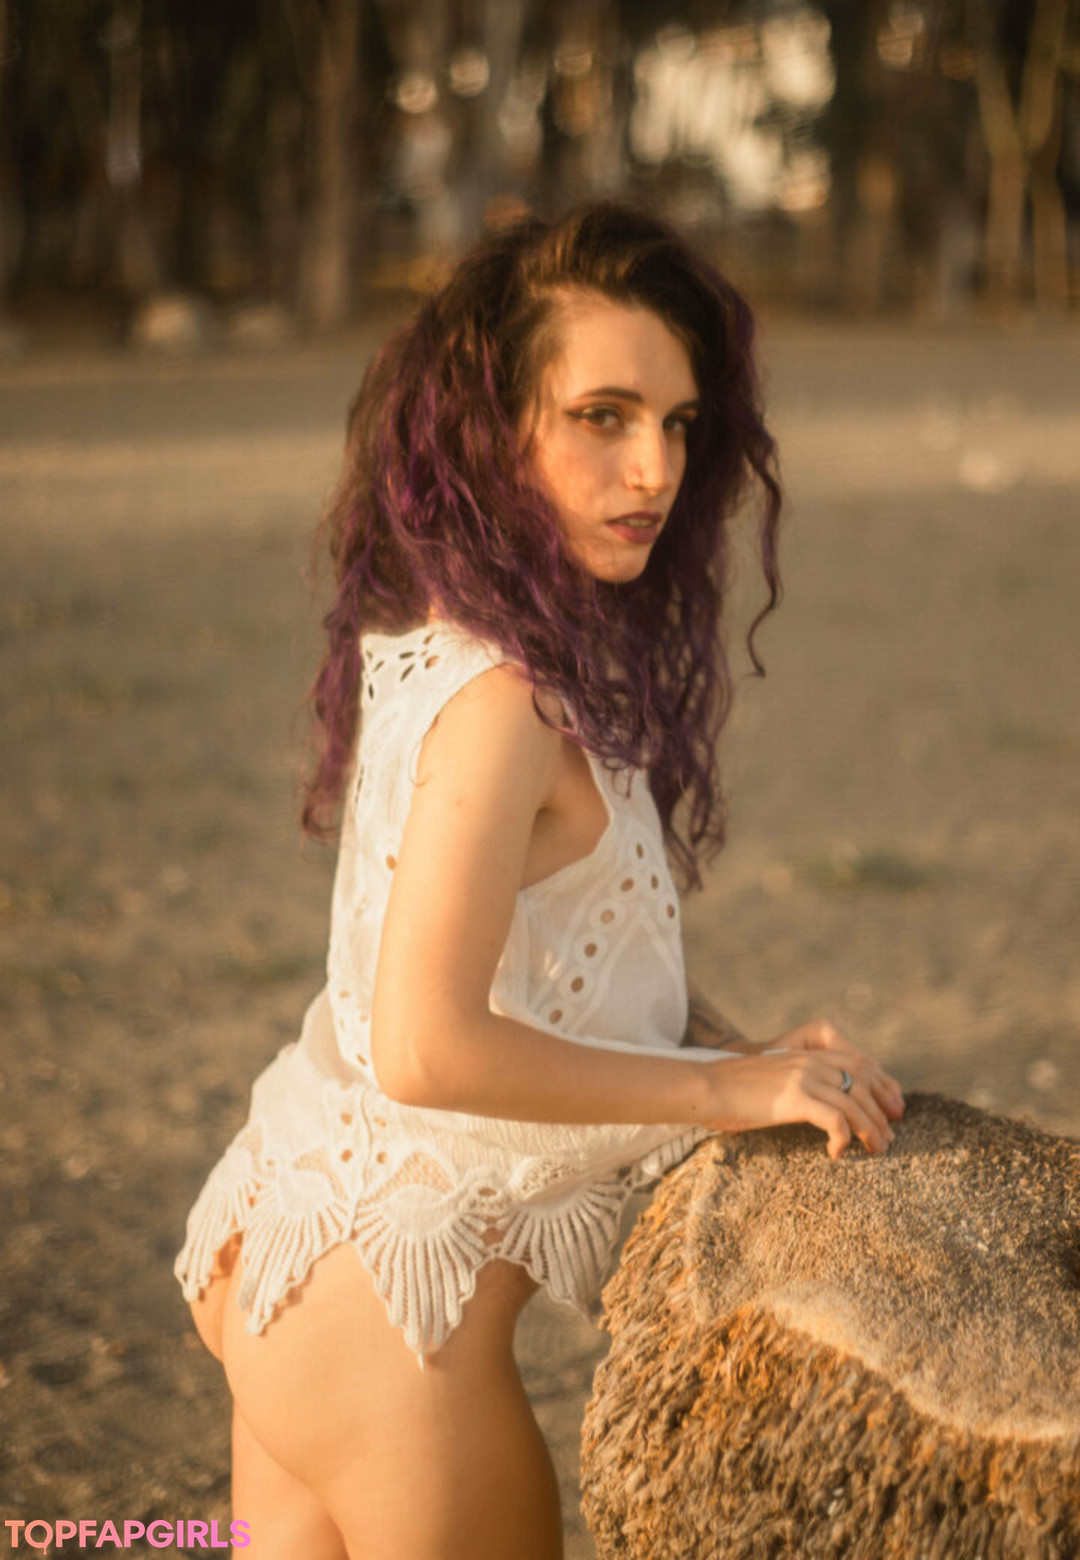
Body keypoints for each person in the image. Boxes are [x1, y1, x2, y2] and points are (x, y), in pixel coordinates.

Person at [175, 201, 905, 1560]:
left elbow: (521, 974)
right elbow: (426, 1045)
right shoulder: (503, 704)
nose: (655, 468)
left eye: (679, 422)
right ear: (494, 428)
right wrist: (727, 1092)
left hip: (290, 1239)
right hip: (390, 1323)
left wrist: (738, 1050)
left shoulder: (464, 643)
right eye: (602, 417)